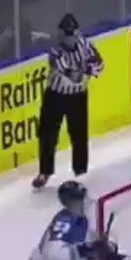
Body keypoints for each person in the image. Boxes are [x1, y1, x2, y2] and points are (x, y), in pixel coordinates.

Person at [32, 13, 104, 190]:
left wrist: (86, 69)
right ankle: (45, 171)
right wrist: (87, 68)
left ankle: (81, 171)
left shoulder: (84, 43)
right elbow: (72, 74)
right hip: (55, 95)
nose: (71, 38)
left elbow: (100, 65)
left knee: (79, 134)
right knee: (47, 134)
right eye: (68, 34)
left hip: (78, 96)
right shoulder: (55, 49)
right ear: (61, 34)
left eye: (73, 34)